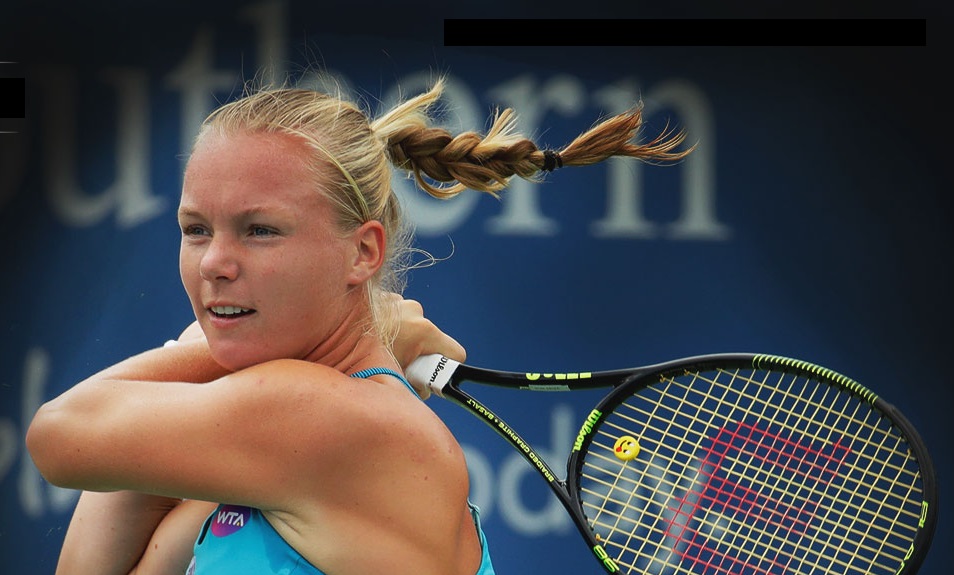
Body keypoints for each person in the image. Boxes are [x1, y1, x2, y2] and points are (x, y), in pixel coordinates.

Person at [26, 75, 691, 575]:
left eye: (260, 230)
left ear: (363, 252)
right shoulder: (267, 444)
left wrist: (380, 331)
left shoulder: (316, 414)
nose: (215, 263)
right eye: (196, 229)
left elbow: (58, 434)